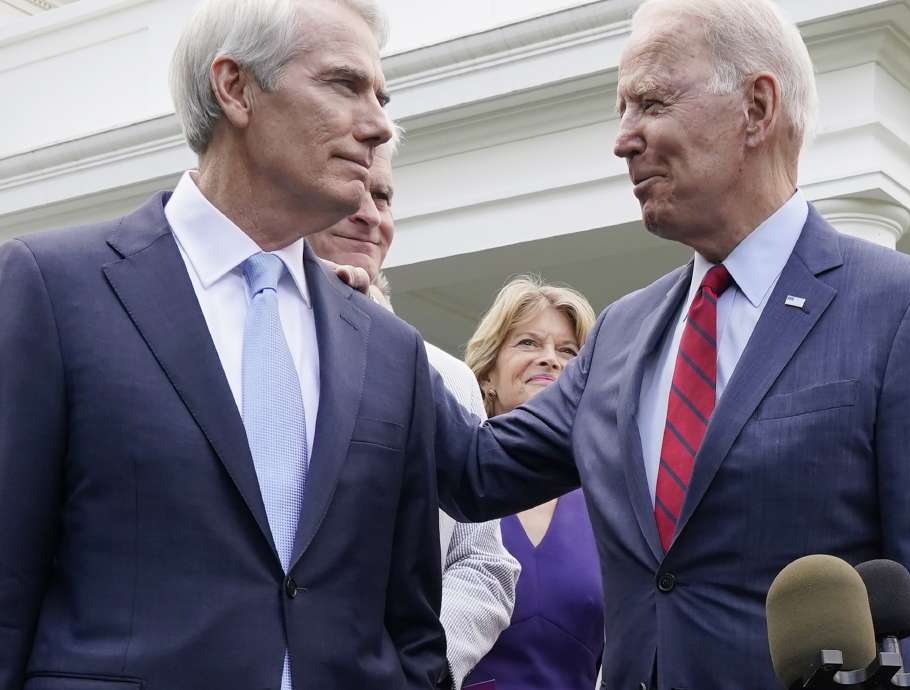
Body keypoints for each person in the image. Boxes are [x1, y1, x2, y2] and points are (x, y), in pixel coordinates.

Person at [426, 0, 910, 686]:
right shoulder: (620, 333)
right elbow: (473, 472)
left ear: (757, 107)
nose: (623, 138)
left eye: (652, 102)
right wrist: (344, 312)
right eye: (622, 110)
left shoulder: (905, 309)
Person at [0, 0, 457, 688]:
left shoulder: (391, 350)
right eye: (344, 85)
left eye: (381, 97)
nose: (377, 125)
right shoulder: (52, 289)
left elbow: (412, 620)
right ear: (236, 87)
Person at [305, 135, 520, 690]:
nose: (370, 217)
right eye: (351, 195)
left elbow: (483, 564)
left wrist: (415, 669)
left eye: (383, 197)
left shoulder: (447, 379)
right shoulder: (239, 348)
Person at [461, 277, 603, 690]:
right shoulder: (449, 486)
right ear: (488, 375)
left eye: (568, 351)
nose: (550, 360)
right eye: (527, 343)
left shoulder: (608, 498)